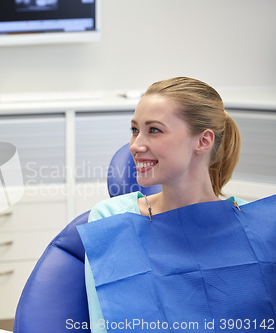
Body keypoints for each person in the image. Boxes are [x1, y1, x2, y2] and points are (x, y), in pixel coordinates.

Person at [77, 77, 276, 332]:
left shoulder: (260, 228)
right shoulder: (111, 219)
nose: (135, 145)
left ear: (203, 141)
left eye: (154, 130)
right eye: (135, 130)